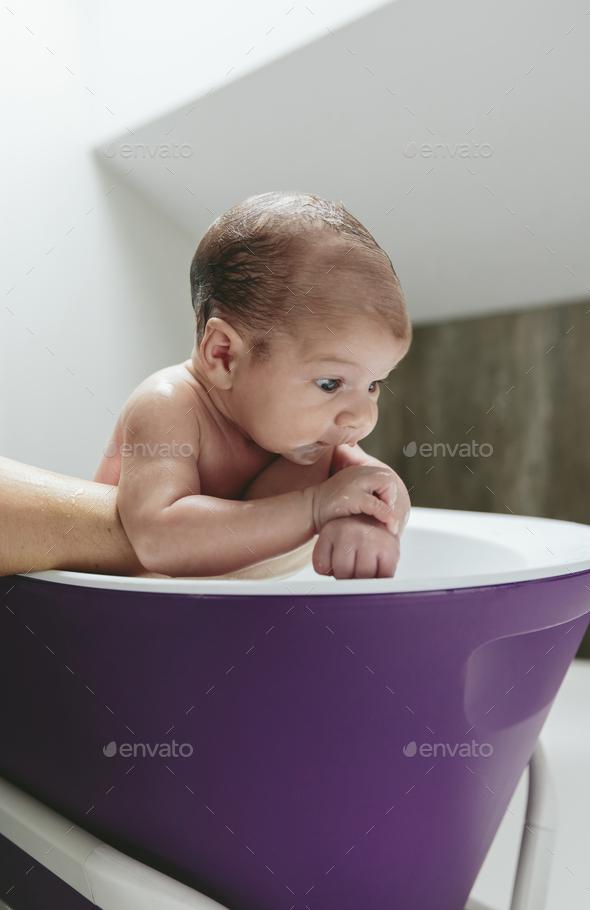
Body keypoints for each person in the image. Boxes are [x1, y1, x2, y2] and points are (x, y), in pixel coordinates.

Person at [92, 191, 412, 580]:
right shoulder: (169, 406)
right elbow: (156, 539)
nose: (362, 418)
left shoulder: (310, 438)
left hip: (223, 618)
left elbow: (381, 486)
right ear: (224, 356)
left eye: (374, 384)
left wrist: (365, 522)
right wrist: (314, 508)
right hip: (120, 614)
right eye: (330, 382)